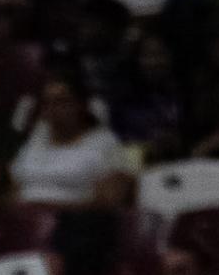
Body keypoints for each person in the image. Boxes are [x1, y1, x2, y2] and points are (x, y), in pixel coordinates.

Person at [10, 71, 133, 210]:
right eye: (46, 102)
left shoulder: (105, 142)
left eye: (60, 101)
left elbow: (109, 203)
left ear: (81, 105)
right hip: (26, 221)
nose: (51, 109)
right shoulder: (37, 137)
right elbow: (15, 187)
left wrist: (49, 208)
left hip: (75, 224)